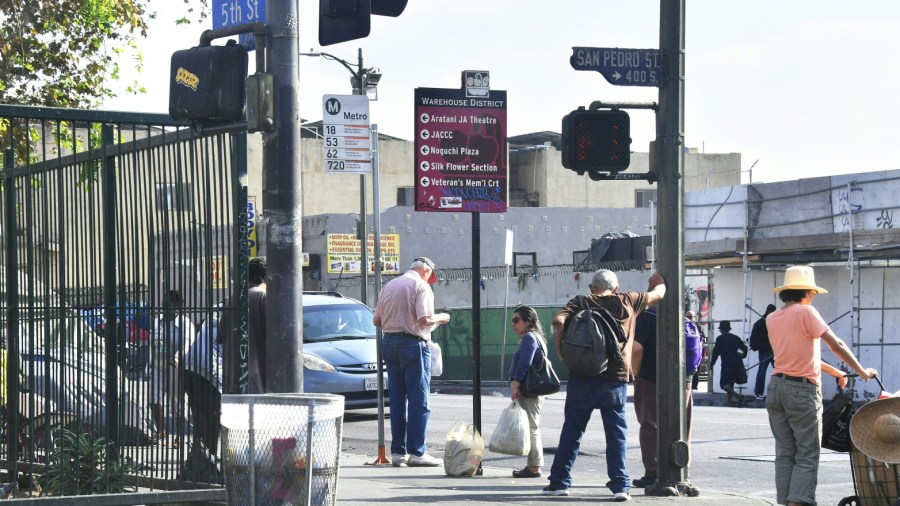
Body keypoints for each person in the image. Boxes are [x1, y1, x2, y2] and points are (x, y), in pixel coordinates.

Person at [543, 269, 666, 501]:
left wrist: (561, 353)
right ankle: (620, 486)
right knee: (616, 433)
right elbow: (658, 295)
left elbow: (557, 321)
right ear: (615, 288)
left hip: (582, 377)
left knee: (572, 431)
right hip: (615, 379)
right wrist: (658, 281)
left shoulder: (580, 302)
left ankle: (559, 482)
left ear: (591, 288)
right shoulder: (628, 300)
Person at [766, 265, 877, 506]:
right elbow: (836, 344)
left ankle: (786, 501)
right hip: (801, 390)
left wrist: (835, 371)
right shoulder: (806, 312)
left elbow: (799, 354)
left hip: (776, 388)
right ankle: (799, 502)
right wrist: (862, 372)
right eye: (813, 291)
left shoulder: (772, 318)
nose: (814, 295)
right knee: (807, 451)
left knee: (785, 452)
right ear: (806, 292)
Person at [373, 257, 450, 467]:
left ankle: (398, 453)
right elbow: (424, 320)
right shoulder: (421, 286)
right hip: (413, 345)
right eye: (430, 276)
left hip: (389, 343)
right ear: (426, 270)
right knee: (418, 399)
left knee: (397, 400)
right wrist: (442, 317)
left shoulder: (389, 286)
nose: (429, 280)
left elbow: (377, 320)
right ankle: (417, 452)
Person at [630, 307, 696, 489]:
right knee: (683, 425)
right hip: (684, 380)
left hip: (652, 378)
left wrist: (635, 374)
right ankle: (681, 468)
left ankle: (653, 471)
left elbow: (636, 348)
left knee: (650, 424)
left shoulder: (647, 317)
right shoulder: (683, 318)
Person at [507, 305, 549, 479]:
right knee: (532, 427)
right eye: (512, 320)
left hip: (530, 390)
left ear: (528, 321)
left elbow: (525, 362)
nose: (513, 324)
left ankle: (533, 466)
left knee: (532, 428)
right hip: (533, 390)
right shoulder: (536, 337)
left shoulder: (530, 338)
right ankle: (533, 465)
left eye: (516, 320)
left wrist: (516, 383)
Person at [149, 289, 194, 446]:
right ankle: (161, 431)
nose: (164, 307)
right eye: (163, 304)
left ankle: (179, 435)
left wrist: (177, 357)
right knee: (153, 397)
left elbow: (187, 343)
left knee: (176, 401)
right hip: (157, 364)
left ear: (177, 306)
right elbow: (152, 342)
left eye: (167, 304)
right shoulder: (157, 321)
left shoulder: (185, 323)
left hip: (175, 366)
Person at [220, 256, 267, 394]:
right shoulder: (263, 296)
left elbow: (221, 336)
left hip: (233, 375)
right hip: (258, 378)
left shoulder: (232, 299)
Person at [184, 309, 222, 453]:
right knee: (212, 418)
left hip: (190, 370)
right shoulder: (225, 329)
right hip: (209, 375)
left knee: (199, 417)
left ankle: (199, 453)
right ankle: (209, 454)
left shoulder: (207, 327)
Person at [710, 320, 748, 405]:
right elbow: (744, 348)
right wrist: (742, 356)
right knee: (730, 384)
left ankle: (737, 396)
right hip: (737, 364)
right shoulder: (736, 338)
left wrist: (712, 364)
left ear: (721, 329)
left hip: (727, 364)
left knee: (723, 384)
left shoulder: (720, 338)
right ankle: (729, 402)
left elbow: (715, 352)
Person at [750, 304, 777, 400]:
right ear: (767, 311)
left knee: (779, 372)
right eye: (771, 312)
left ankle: (779, 393)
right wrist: (767, 336)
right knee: (762, 372)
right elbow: (755, 338)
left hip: (774, 351)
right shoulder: (760, 324)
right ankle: (758, 392)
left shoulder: (775, 322)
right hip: (764, 351)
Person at [686, 310, 707, 390]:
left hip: (697, 352)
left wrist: (704, 354)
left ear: (694, 317)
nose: (689, 318)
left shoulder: (698, 327)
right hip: (687, 351)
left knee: (695, 370)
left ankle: (694, 386)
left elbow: (703, 341)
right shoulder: (684, 325)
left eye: (690, 317)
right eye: (687, 317)